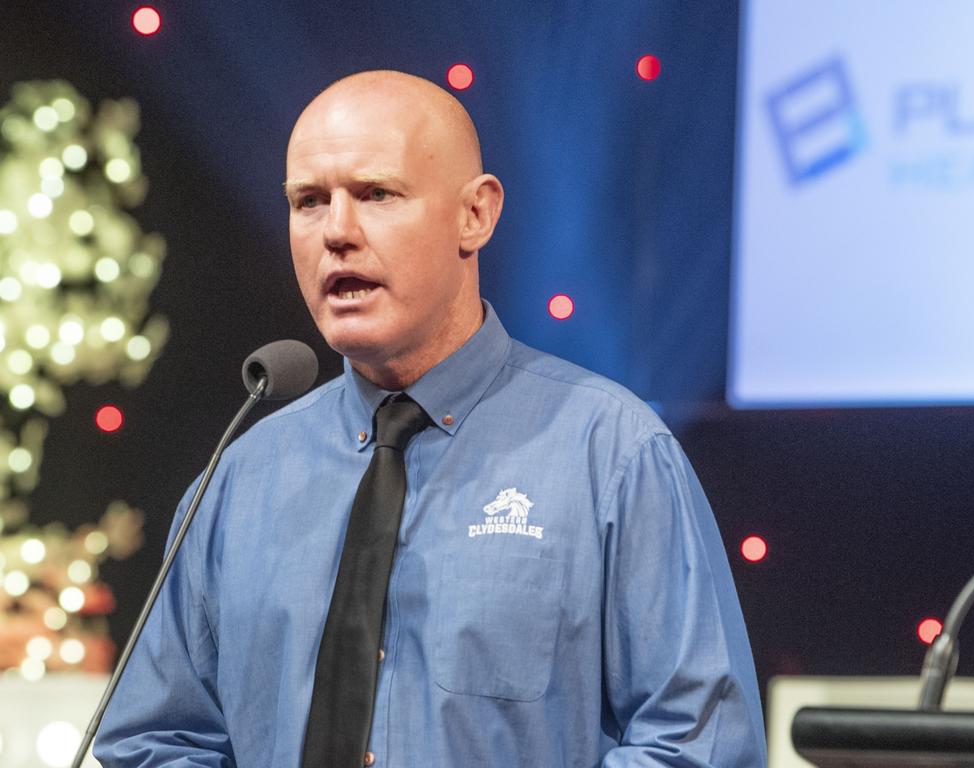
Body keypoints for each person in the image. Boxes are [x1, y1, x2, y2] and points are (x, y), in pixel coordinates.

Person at [94, 70, 767, 767]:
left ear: (474, 214)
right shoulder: (240, 479)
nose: (337, 232)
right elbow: (156, 739)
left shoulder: (612, 453)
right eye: (309, 201)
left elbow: (699, 746)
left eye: (377, 193)